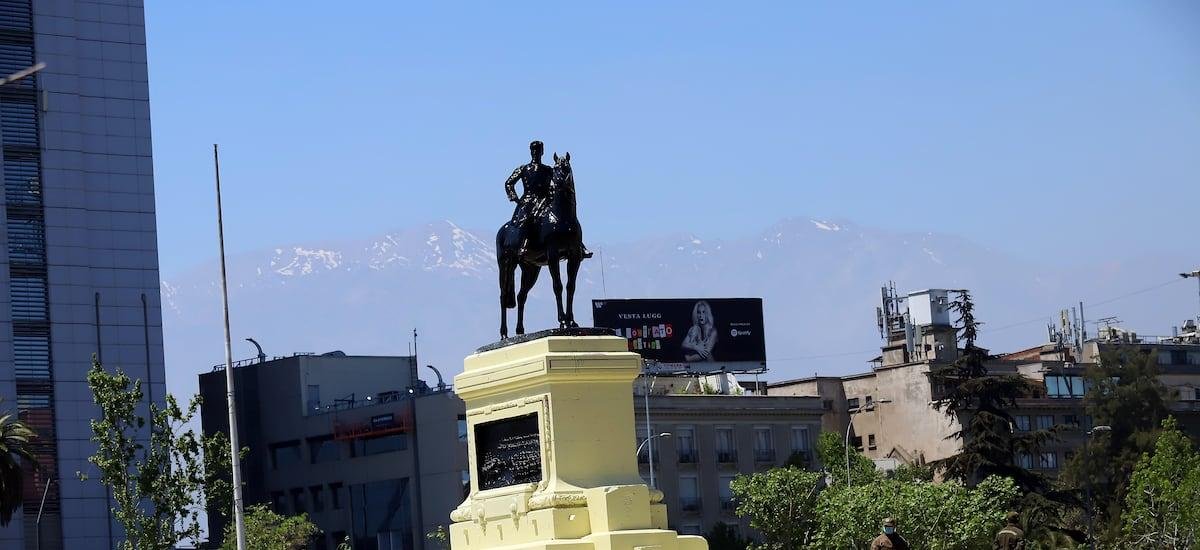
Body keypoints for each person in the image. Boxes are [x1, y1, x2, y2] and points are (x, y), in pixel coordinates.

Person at [503, 140, 555, 236]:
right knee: (525, 221)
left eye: (538, 150)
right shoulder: (523, 169)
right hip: (528, 201)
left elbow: (558, 184)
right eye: (533, 150)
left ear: (542, 152)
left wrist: (553, 192)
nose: (535, 152)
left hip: (546, 202)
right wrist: (515, 198)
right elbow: (509, 183)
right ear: (530, 152)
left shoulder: (548, 170)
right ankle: (523, 244)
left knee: (560, 218)